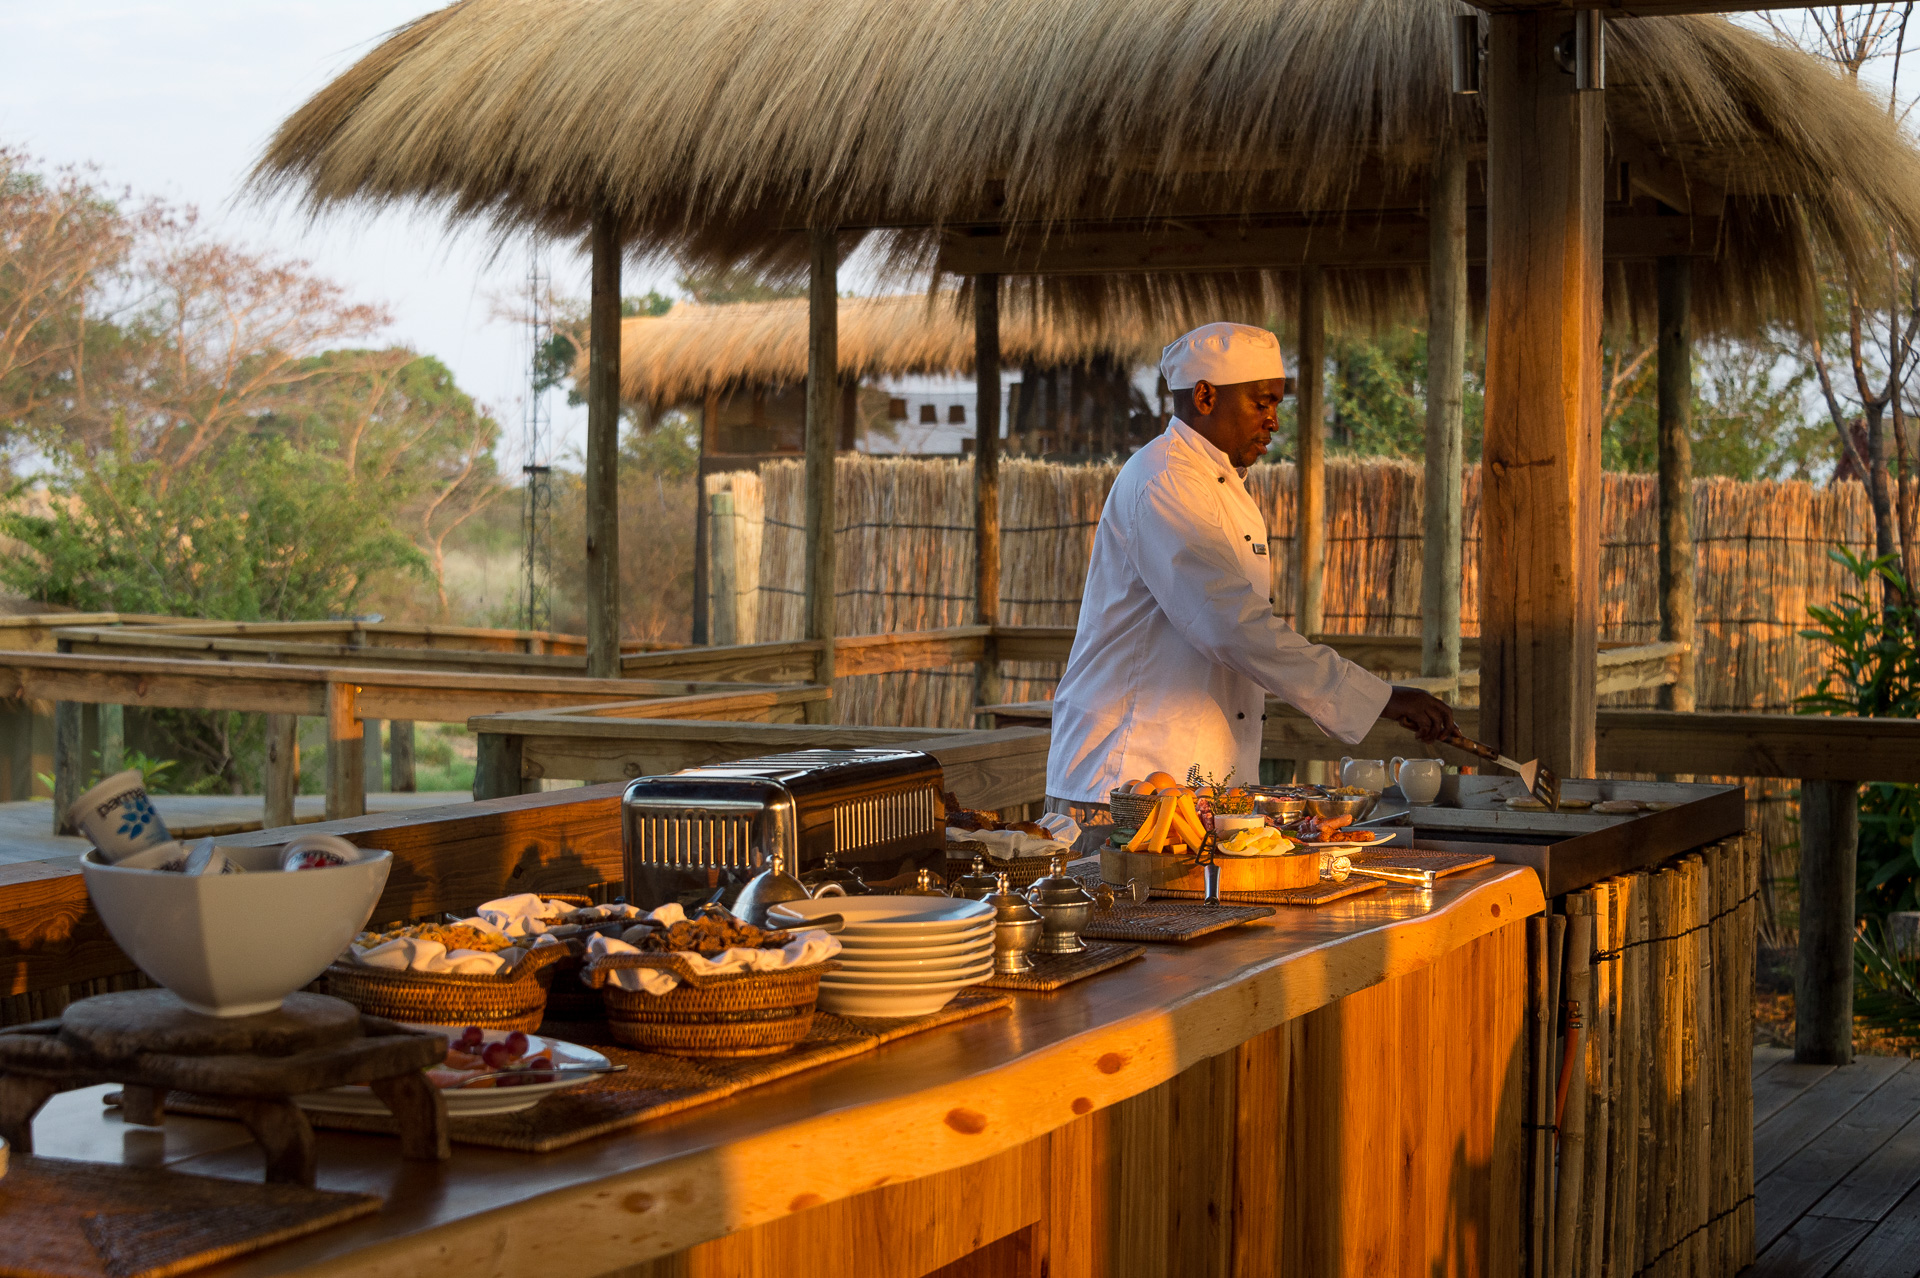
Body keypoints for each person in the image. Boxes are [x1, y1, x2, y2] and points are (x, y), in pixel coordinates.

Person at [1044, 321, 1456, 841]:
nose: (1274, 422)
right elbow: (1230, 625)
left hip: (1198, 787)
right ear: (1205, 395)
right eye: (1262, 403)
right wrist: (1380, 698)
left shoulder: (1216, 485)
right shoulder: (1166, 480)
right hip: (1124, 785)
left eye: (1277, 405)